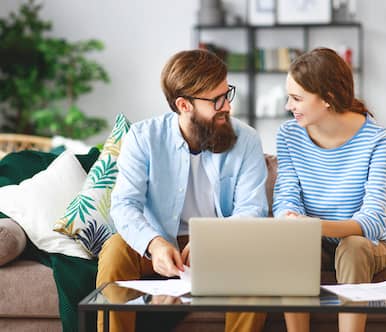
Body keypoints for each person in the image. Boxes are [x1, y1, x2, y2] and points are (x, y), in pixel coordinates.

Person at [227, 48, 386, 332]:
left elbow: (373, 220)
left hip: (366, 244)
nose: (287, 106)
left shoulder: (378, 138)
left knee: (353, 247)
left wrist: (313, 226)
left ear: (328, 98)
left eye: (296, 98)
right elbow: (286, 196)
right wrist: (291, 219)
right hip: (312, 240)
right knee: (290, 244)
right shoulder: (289, 134)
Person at [96, 49, 268, 332]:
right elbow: (124, 205)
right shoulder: (142, 138)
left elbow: (253, 210)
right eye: (216, 100)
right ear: (183, 105)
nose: (227, 106)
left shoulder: (246, 140)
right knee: (115, 249)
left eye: (227, 94)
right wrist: (154, 243)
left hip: (221, 247)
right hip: (159, 245)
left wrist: (212, 241)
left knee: (255, 260)